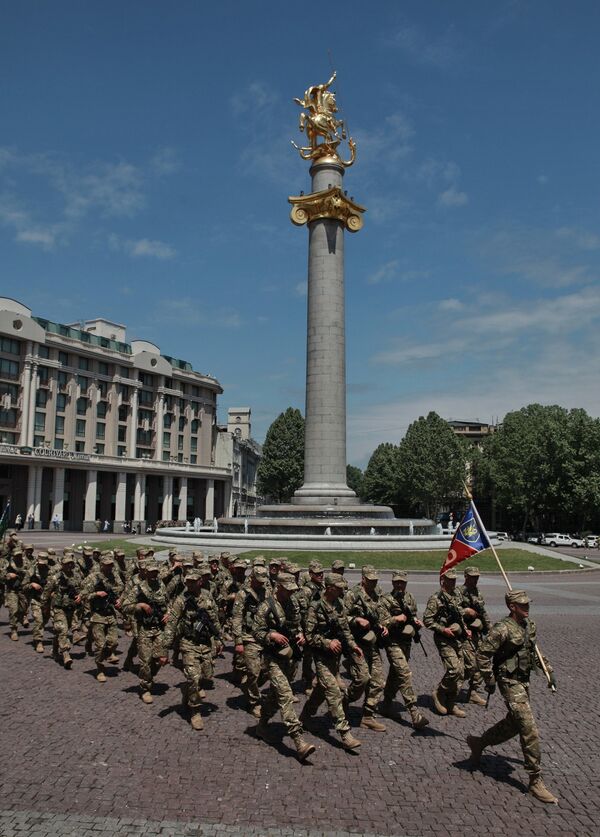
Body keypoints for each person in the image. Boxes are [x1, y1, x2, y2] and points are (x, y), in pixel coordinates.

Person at [467, 590, 558, 805]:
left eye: (528, 604)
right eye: (522, 605)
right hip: (508, 682)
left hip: (524, 681)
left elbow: (534, 650)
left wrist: (549, 671)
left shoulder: (529, 625)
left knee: (515, 723)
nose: (527, 607)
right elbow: (483, 653)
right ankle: (535, 779)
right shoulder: (502, 629)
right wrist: (488, 678)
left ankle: (480, 742)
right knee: (529, 727)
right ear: (512, 607)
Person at [252, 572, 315, 762]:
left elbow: (298, 625)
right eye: (287, 590)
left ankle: (262, 725)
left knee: (274, 695)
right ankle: (299, 741)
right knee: (286, 695)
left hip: (290, 659)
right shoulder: (266, 607)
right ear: (278, 587)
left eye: (292, 590)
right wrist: (271, 635)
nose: (290, 594)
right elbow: (256, 631)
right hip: (272, 659)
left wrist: (302, 635)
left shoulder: (293, 603)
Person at [300, 573, 363, 751]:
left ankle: (304, 717)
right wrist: (328, 642)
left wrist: (352, 645)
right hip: (321, 658)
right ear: (329, 588)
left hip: (335, 658)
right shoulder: (315, 608)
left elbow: (345, 629)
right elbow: (310, 636)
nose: (343, 590)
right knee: (334, 692)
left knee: (321, 689)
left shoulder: (339, 604)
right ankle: (345, 734)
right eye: (339, 587)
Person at [163, 569, 222, 730]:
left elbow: (214, 618)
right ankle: (194, 711)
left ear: (200, 581)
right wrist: (164, 650)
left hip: (205, 643)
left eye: (193, 581)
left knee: (206, 675)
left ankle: (186, 689)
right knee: (194, 678)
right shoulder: (181, 600)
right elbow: (171, 624)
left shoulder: (207, 596)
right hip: (188, 643)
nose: (189, 584)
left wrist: (218, 638)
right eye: (187, 581)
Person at [378, 571, 429, 729]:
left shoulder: (410, 597)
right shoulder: (385, 599)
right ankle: (414, 712)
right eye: (397, 582)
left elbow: (413, 615)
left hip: (406, 643)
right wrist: (395, 619)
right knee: (404, 673)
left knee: (395, 673)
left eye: (402, 582)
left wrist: (416, 622)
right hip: (392, 642)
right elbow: (381, 622)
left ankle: (386, 703)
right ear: (393, 583)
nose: (399, 585)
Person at [344, 565, 389, 731]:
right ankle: (344, 701)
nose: (373, 583)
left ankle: (368, 716)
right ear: (363, 579)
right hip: (356, 644)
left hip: (373, 643)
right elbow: (341, 617)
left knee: (377, 681)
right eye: (370, 580)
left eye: (375, 580)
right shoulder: (352, 594)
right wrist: (356, 619)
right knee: (362, 679)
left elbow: (383, 614)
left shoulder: (377, 593)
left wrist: (384, 625)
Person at [423, 568, 470, 717]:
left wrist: (465, 628)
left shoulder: (456, 595)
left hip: (457, 637)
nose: (453, 582)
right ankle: (439, 692)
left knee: (462, 672)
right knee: (454, 669)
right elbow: (427, 620)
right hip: (444, 638)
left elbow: (458, 615)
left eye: (454, 580)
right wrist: (443, 630)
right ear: (443, 580)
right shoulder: (436, 598)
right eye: (450, 579)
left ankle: (451, 702)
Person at [122, 560, 169, 703]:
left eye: (156, 571)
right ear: (146, 572)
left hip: (159, 629)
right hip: (145, 629)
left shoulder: (161, 585)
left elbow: (168, 603)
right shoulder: (138, 589)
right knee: (145, 662)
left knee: (162, 659)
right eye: (152, 572)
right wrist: (140, 605)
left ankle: (148, 676)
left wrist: (168, 613)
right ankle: (145, 689)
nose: (154, 574)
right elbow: (125, 606)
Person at [232, 565, 269, 717]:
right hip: (249, 637)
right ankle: (254, 702)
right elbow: (237, 617)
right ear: (252, 578)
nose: (261, 584)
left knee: (266, 671)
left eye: (263, 581)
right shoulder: (243, 594)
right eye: (259, 581)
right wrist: (238, 641)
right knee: (253, 672)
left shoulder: (267, 592)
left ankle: (247, 687)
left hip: (265, 637)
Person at [81, 553, 124, 682]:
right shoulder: (92, 578)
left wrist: (119, 599)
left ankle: (104, 656)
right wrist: (96, 594)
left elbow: (122, 587)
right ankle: (99, 669)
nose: (110, 567)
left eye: (111, 565)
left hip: (110, 613)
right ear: (101, 565)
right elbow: (83, 596)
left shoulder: (114, 576)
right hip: (98, 615)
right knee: (100, 646)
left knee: (113, 643)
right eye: (107, 565)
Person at [42, 553, 83, 669]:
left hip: (71, 609)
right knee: (63, 630)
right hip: (58, 609)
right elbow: (46, 593)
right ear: (62, 565)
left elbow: (82, 589)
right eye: (67, 564)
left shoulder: (77, 577)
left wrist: (80, 596)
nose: (69, 566)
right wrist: (44, 608)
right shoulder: (55, 578)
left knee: (59, 632)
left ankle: (54, 651)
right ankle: (65, 654)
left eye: (71, 563)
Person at [459, 566, 491, 705]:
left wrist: (489, 629)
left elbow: (483, 612)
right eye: (472, 577)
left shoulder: (478, 592)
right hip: (465, 633)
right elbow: (452, 611)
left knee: (481, 663)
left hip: (477, 633)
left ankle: (473, 692)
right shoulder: (459, 592)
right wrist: (465, 611)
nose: (475, 579)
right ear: (465, 576)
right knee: (470, 665)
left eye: (477, 577)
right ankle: (448, 689)